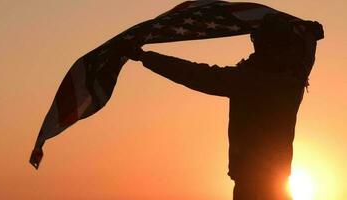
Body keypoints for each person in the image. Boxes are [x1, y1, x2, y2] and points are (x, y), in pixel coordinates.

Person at [121, 14, 322, 200]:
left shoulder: (249, 80)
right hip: (278, 184)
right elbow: (307, 52)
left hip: (253, 186)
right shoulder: (296, 74)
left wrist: (145, 57)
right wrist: (310, 36)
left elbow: (194, 74)